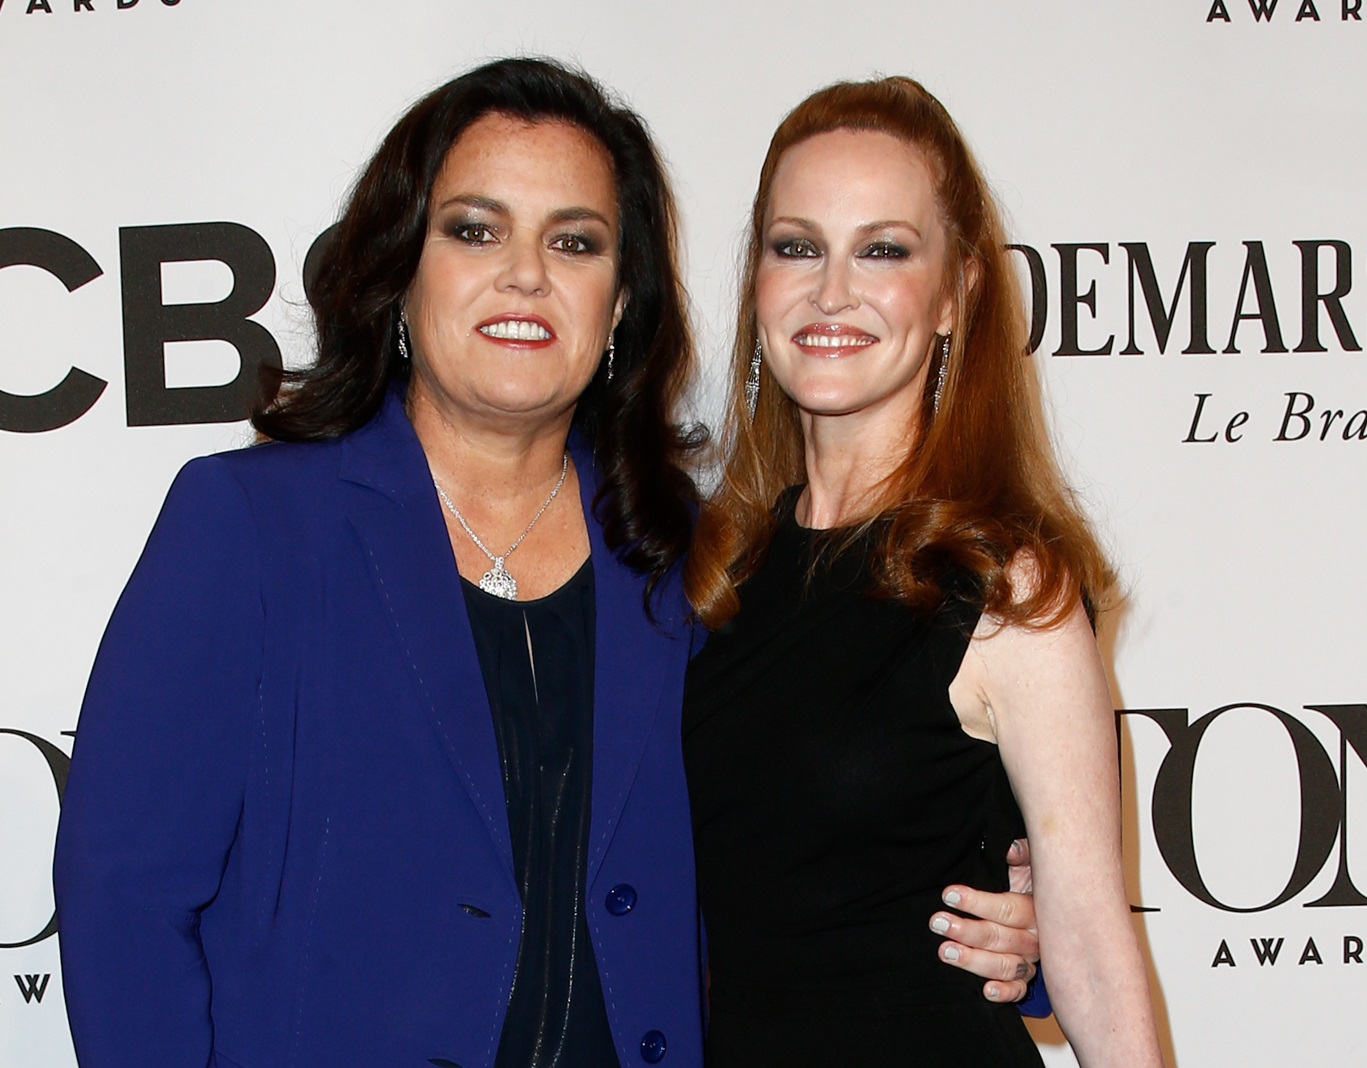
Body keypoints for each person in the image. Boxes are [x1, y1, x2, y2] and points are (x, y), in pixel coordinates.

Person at [53, 57, 706, 1068]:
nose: (525, 273)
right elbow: (123, 900)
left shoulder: (677, 555)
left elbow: (800, 847)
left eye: (573, 241)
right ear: (402, 270)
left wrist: (1011, 922)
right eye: (474, 230)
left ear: (619, 302)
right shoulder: (250, 527)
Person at [683, 76, 1164, 1066]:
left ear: (953, 296)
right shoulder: (707, 576)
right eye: (796, 246)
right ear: (756, 283)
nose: (830, 291)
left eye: (883, 250)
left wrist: (1035, 947)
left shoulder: (1005, 591)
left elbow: (1089, 945)